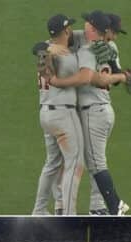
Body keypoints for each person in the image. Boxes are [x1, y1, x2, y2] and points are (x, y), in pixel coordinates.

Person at [49, 11, 131, 215]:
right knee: (93, 159)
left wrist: (59, 81)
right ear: (104, 29)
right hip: (98, 110)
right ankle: (97, 207)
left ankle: (113, 205)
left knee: (93, 161)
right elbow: (59, 38)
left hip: (93, 110)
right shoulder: (93, 42)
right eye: (114, 32)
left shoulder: (97, 48)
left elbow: (94, 78)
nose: (114, 37)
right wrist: (123, 76)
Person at [32, 14, 83, 216]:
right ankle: (69, 215)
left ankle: (39, 210)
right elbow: (85, 76)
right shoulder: (66, 57)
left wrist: (46, 48)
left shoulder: (44, 51)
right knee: (75, 163)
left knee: (52, 163)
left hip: (45, 113)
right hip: (63, 114)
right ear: (67, 30)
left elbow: (39, 49)